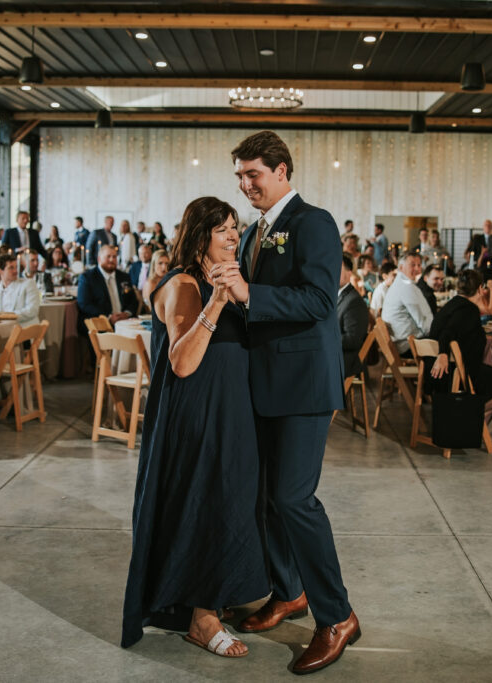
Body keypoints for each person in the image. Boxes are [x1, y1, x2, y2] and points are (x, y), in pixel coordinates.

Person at [220, 130, 358, 675]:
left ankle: (337, 615)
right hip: (262, 384)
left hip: (302, 384)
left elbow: (322, 299)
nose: (245, 184)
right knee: (269, 500)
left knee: (295, 499)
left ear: (281, 171)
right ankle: (288, 593)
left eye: (253, 174)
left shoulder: (313, 222)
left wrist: (251, 294)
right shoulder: (254, 232)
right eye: (239, 176)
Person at [122, 196, 268, 657]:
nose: (233, 235)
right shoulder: (183, 283)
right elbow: (182, 362)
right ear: (200, 235)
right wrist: (220, 301)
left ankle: (209, 603)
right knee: (206, 508)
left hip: (231, 415)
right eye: (223, 229)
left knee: (227, 506)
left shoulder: (226, 279)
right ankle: (202, 621)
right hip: (198, 418)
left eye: (235, 227)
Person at [428, 269, 492, 416]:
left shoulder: (452, 305)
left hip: (439, 377)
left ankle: (468, 418)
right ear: (480, 289)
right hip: (459, 375)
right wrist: (443, 354)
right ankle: (471, 417)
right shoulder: (468, 310)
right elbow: (447, 332)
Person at [381, 253, 434, 356]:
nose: (417, 269)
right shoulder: (406, 287)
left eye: (419, 265)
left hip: (405, 341)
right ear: (401, 267)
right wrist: (435, 333)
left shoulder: (403, 283)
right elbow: (422, 322)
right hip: (407, 346)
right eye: (413, 265)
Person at [77, 244, 138, 325]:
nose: (111, 259)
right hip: (99, 323)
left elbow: (133, 300)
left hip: (125, 322)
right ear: (99, 259)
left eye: (114, 257)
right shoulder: (87, 277)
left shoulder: (124, 277)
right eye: (108, 256)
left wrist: (127, 313)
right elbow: (84, 304)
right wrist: (108, 317)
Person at [0, 254, 42, 328]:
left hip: (24, 331)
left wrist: (6, 316)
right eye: (11, 268)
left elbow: (32, 311)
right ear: (0, 271)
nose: (16, 271)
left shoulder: (28, 284)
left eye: (16, 267)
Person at [338, 255, 370, 379]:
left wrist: (324, 339)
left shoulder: (353, 301)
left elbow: (352, 339)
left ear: (349, 273)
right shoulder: (340, 295)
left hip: (346, 359)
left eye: (338, 269)